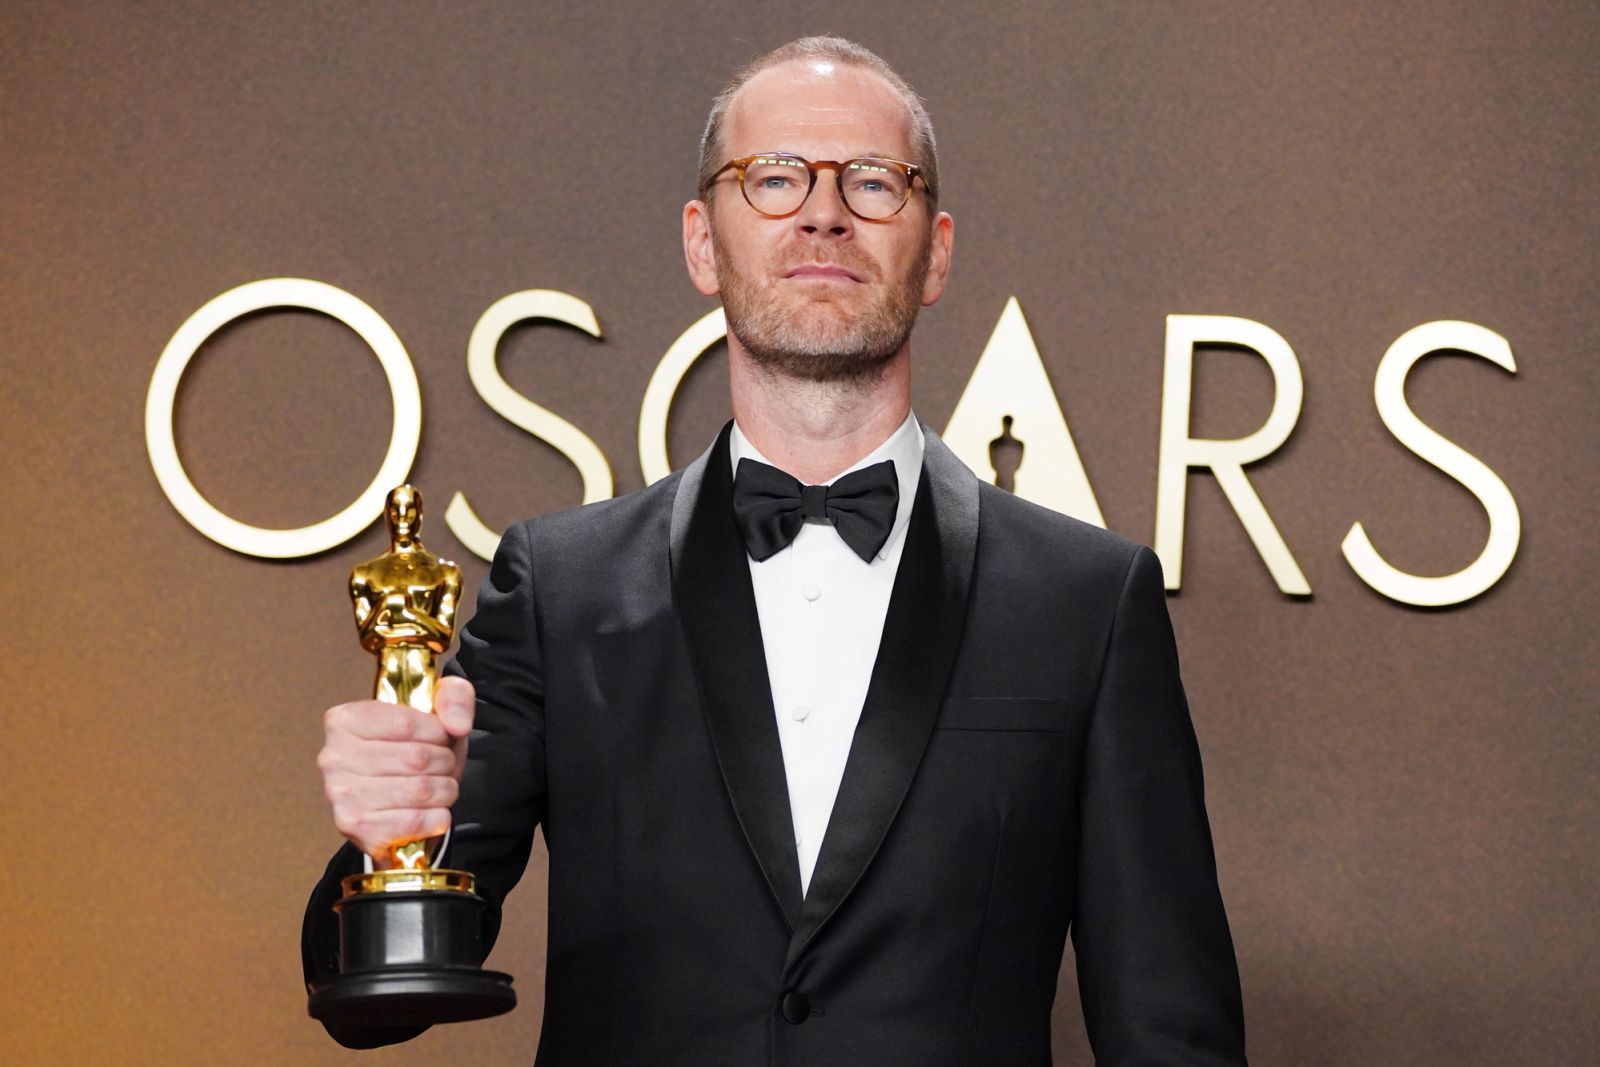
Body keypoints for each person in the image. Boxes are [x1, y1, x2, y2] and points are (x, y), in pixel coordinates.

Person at [304, 35, 1248, 1065]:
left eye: (873, 181)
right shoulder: (556, 589)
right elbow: (373, 1003)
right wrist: (388, 836)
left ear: (936, 252)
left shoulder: (1087, 600)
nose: (823, 212)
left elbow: (1172, 1030)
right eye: (775, 176)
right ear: (702, 242)